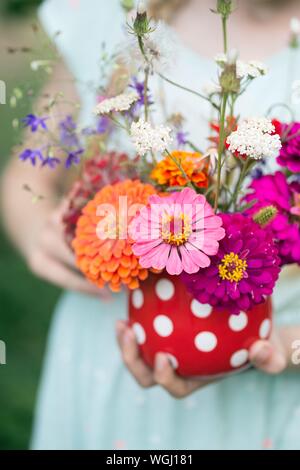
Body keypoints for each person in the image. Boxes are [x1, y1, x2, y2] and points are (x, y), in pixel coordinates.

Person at [1, 0, 300, 450]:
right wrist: (39, 231)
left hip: (263, 388)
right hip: (105, 353)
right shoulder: (120, 12)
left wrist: (286, 347)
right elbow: (29, 171)